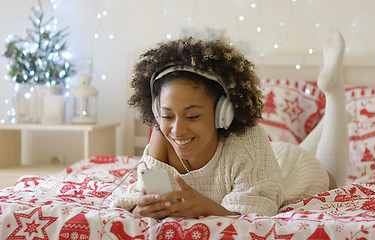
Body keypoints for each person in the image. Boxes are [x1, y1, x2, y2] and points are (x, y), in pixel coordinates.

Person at [111, 30, 349, 218]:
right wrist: (140, 209)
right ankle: (326, 121)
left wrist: (204, 206)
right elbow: (138, 195)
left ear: (221, 114)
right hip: (262, 162)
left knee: (334, 179)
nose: (177, 130)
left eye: (192, 116)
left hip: (291, 171)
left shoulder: (248, 139)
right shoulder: (161, 138)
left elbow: (257, 212)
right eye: (167, 116)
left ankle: (335, 92)